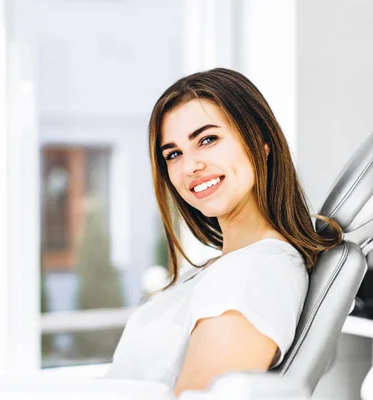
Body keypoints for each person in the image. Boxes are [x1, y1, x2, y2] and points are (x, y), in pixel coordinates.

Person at [102, 68, 343, 398]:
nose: (190, 167)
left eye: (207, 140)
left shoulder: (252, 274)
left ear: (261, 140)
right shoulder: (229, 267)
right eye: (173, 154)